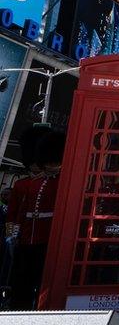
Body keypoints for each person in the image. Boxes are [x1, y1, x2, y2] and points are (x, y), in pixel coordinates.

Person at [7, 128, 65, 309]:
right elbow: (15, 212)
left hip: (48, 240)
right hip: (25, 240)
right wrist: (12, 235)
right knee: (21, 283)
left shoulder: (61, 183)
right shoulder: (24, 184)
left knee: (44, 284)